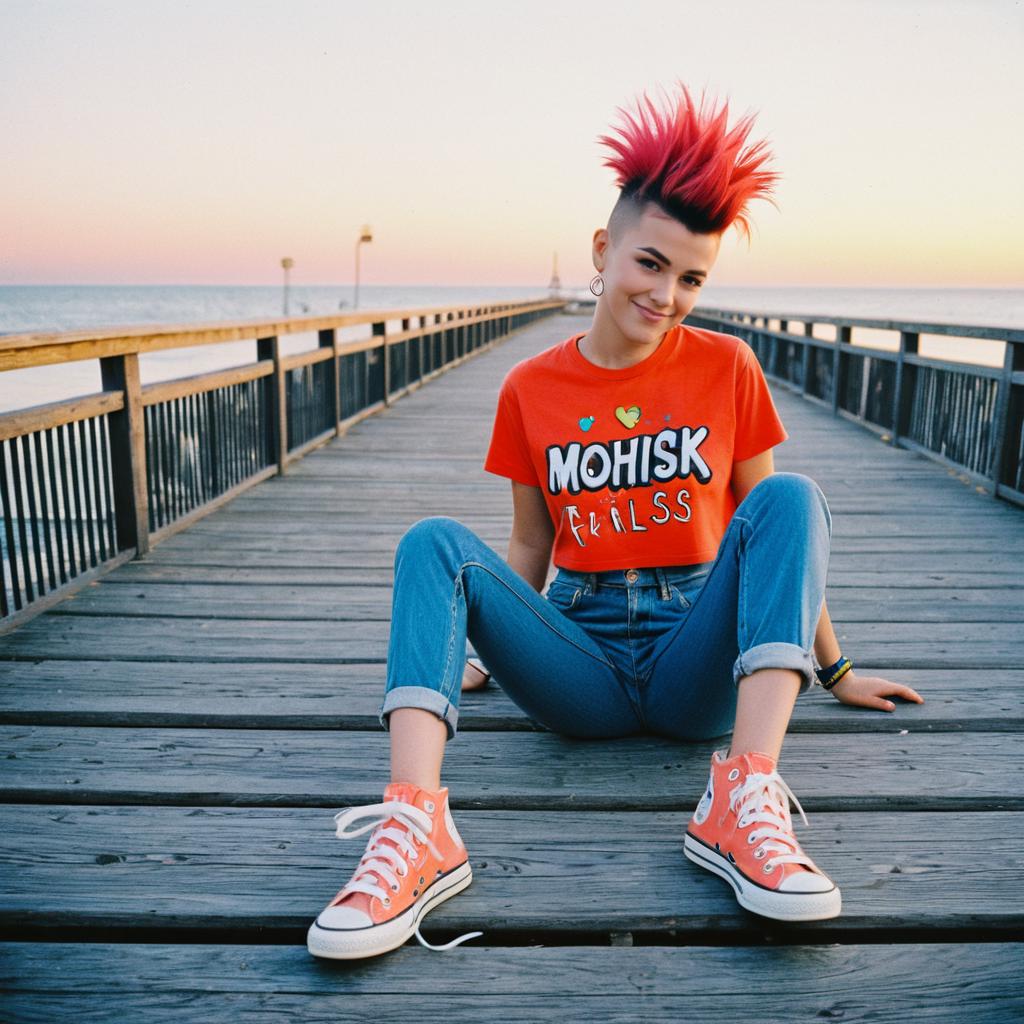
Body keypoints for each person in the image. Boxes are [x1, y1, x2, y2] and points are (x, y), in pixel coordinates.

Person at [307, 82, 924, 961]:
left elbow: (776, 533)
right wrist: (475, 652)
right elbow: (528, 543)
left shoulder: (727, 365)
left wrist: (839, 668)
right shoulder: (530, 388)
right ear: (604, 249)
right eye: (650, 263)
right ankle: (418, 829)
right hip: (580, 659)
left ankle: (740, 800)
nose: (667, 294)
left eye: (692, 277)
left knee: (794, 496)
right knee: (432, 544)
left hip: (696, 657)